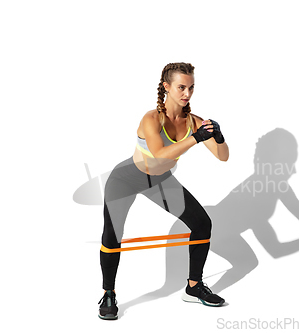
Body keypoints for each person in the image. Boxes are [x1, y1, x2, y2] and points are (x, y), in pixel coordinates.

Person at [98, 62, 229, 320]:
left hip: (159, 181)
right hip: (126, 179)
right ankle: (108, 292)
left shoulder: (194, 122)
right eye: (181, 87)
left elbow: (223, 157)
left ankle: (193, 287)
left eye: (191, 88)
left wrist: (219, 137)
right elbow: (157, 156)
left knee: (202, 224)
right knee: (113, 235)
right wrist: (196, 138)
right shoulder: (151, 118)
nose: (187, 94)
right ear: (166, 87)